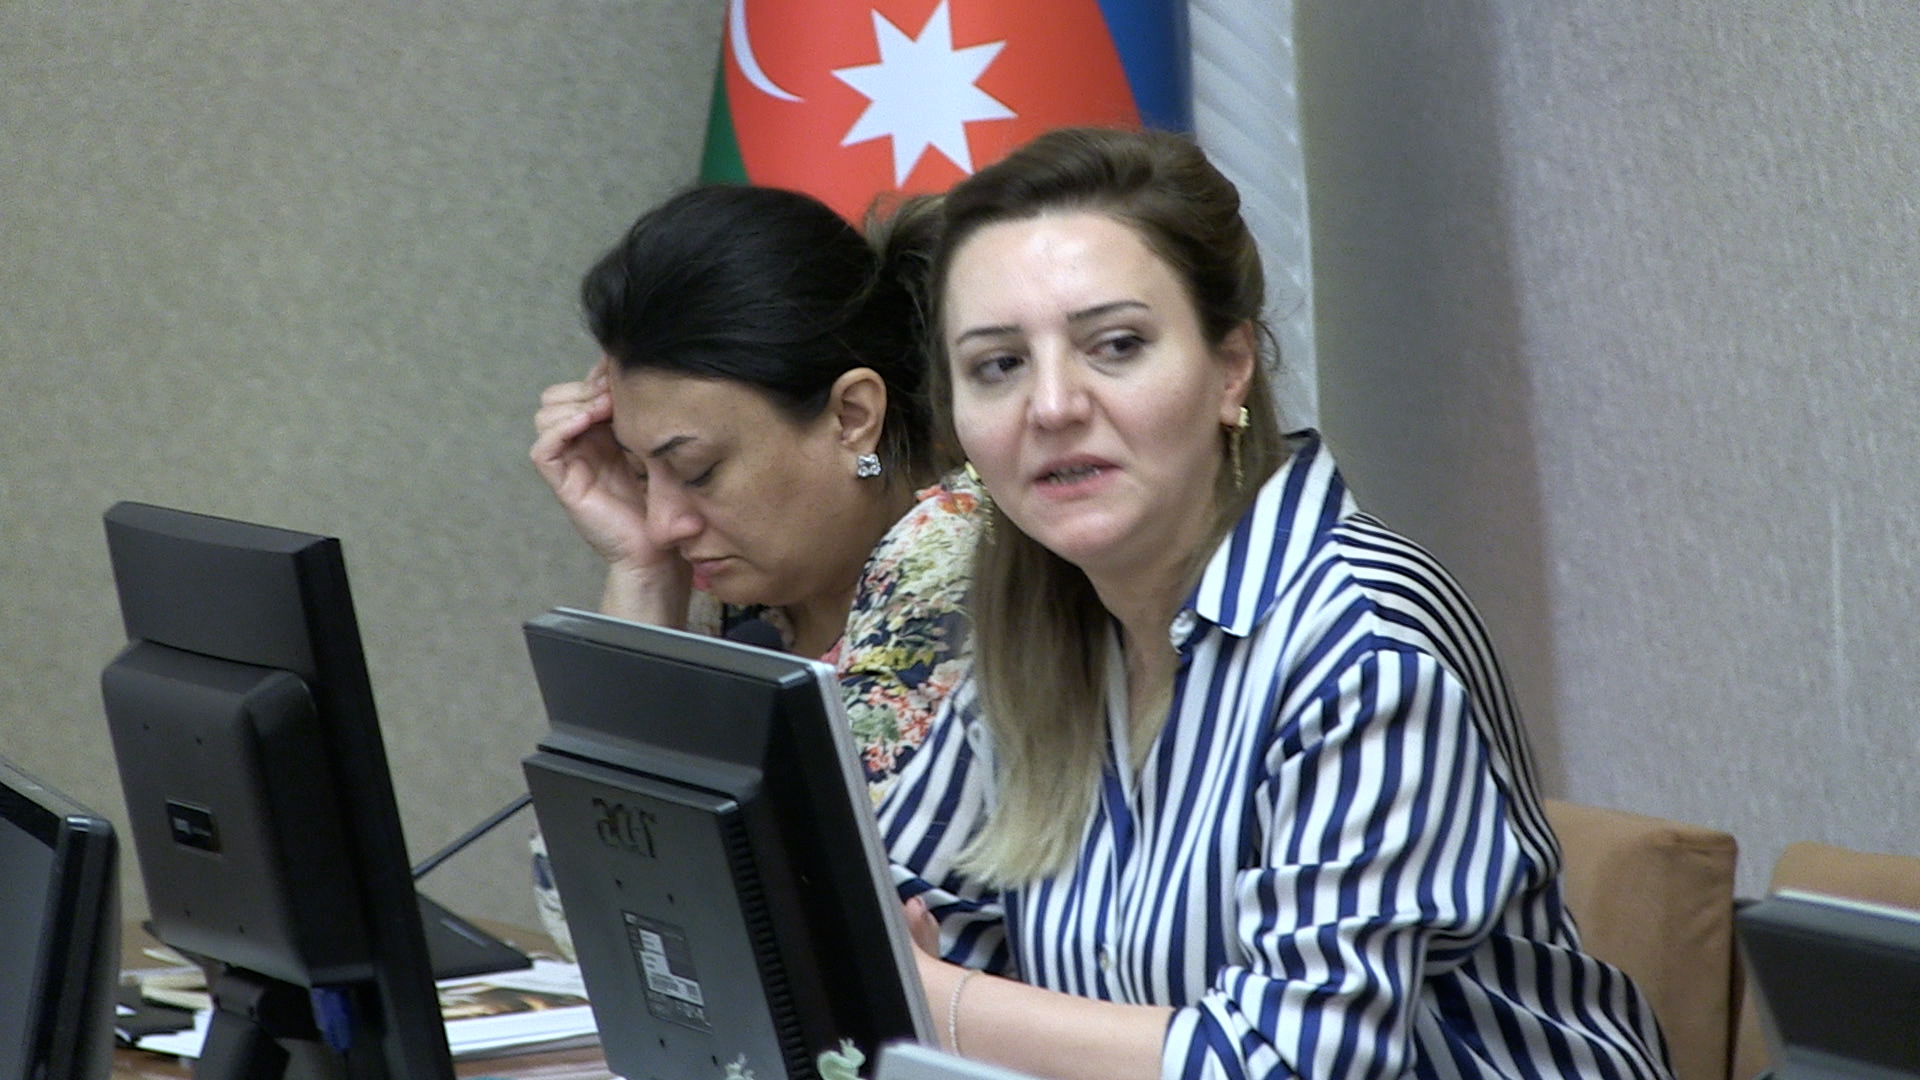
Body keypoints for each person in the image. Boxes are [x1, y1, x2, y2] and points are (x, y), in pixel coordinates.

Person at [878, 127, 1675, 1080]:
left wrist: (939, 1004)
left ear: (1231, 368)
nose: (1051, 406)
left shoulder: (1364, 642)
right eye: (998, 365)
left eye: (1116, 346)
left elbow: (1288, 1065)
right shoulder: (1044, 628)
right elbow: (891, 919)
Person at [528, 184, 981, 952]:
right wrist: (642, 577)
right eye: (639, 473)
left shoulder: (955, 564)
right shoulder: (759, 615)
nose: (665, 523)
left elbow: (751, 935)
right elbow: (581, 907)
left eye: (696, 471)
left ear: (852, 417)